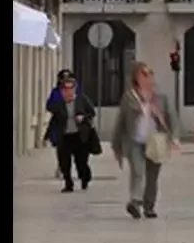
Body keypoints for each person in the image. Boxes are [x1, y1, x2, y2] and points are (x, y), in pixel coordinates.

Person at [112, 61, 175, 220]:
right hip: (135, 140)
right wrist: (116, 143)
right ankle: (135, 201)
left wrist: (174, 137)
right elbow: (121, 121)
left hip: (155, 141)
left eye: (148, 74)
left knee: (152, 176)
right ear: (136, 78)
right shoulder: (129, 97)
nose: (146, 78)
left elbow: (171, 117)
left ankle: (149, 206)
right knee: (138, 171)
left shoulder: (159, 97)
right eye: (143, 74)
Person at [45, 75, 100, 192]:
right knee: (64, 161)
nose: (68, 92)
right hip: (64, 136)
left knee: (81, 161)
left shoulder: (82, 100)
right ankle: (68, 183)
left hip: (79, 136)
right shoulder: (59, 104)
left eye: (71, 89)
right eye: (65, 89)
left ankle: (84, 177)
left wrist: (83, 117)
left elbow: (92, 112)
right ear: (62, 91)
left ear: (75, 89)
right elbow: (50, 110)